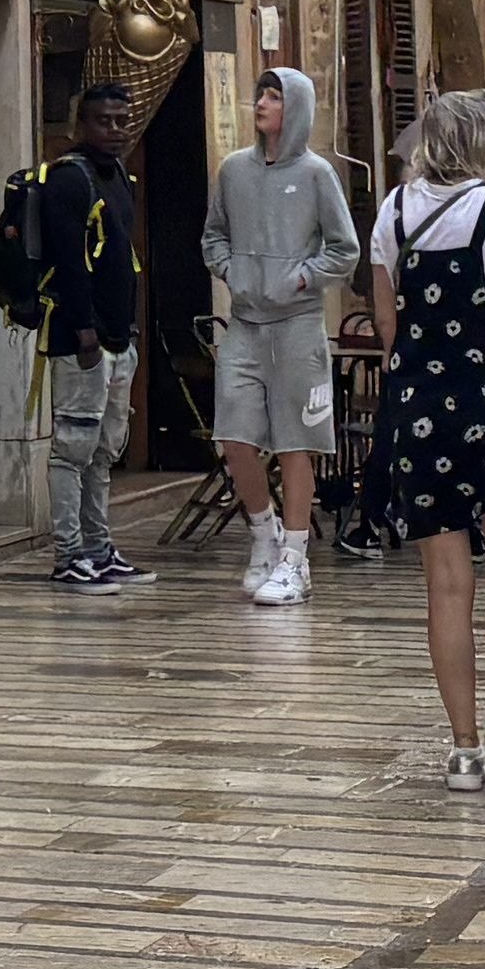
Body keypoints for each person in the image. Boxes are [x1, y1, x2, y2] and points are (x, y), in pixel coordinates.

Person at [361, 89, 485, 785]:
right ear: (481, 141)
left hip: (418, 409)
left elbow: (386, 325)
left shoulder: (393, 211)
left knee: (446, 584)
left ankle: (465, 747)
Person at [206, 62, 357, 607]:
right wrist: (232, 271)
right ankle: (263, 535)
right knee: (235, 438)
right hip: (245, 324)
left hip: (296, 326)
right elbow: (212, 236)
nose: (262, 103)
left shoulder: (318, 174)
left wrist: (301, 277)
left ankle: (296, 560)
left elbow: (345, 248)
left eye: (273, 96)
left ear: (294, 108)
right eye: (259, 94)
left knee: (298, 444)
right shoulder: (232, 171)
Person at [0, 85, 152, 590]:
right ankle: (68, 557)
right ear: (81, 125)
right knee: (72, 449)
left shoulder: (121, 179)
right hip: (79, 340)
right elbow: (69, 263)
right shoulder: (70, 179)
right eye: (104, 121)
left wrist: (124, 334)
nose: (116, 129)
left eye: (122, 120)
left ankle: (99, 548)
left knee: (105, 451)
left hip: (116, 338)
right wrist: (85, 334)